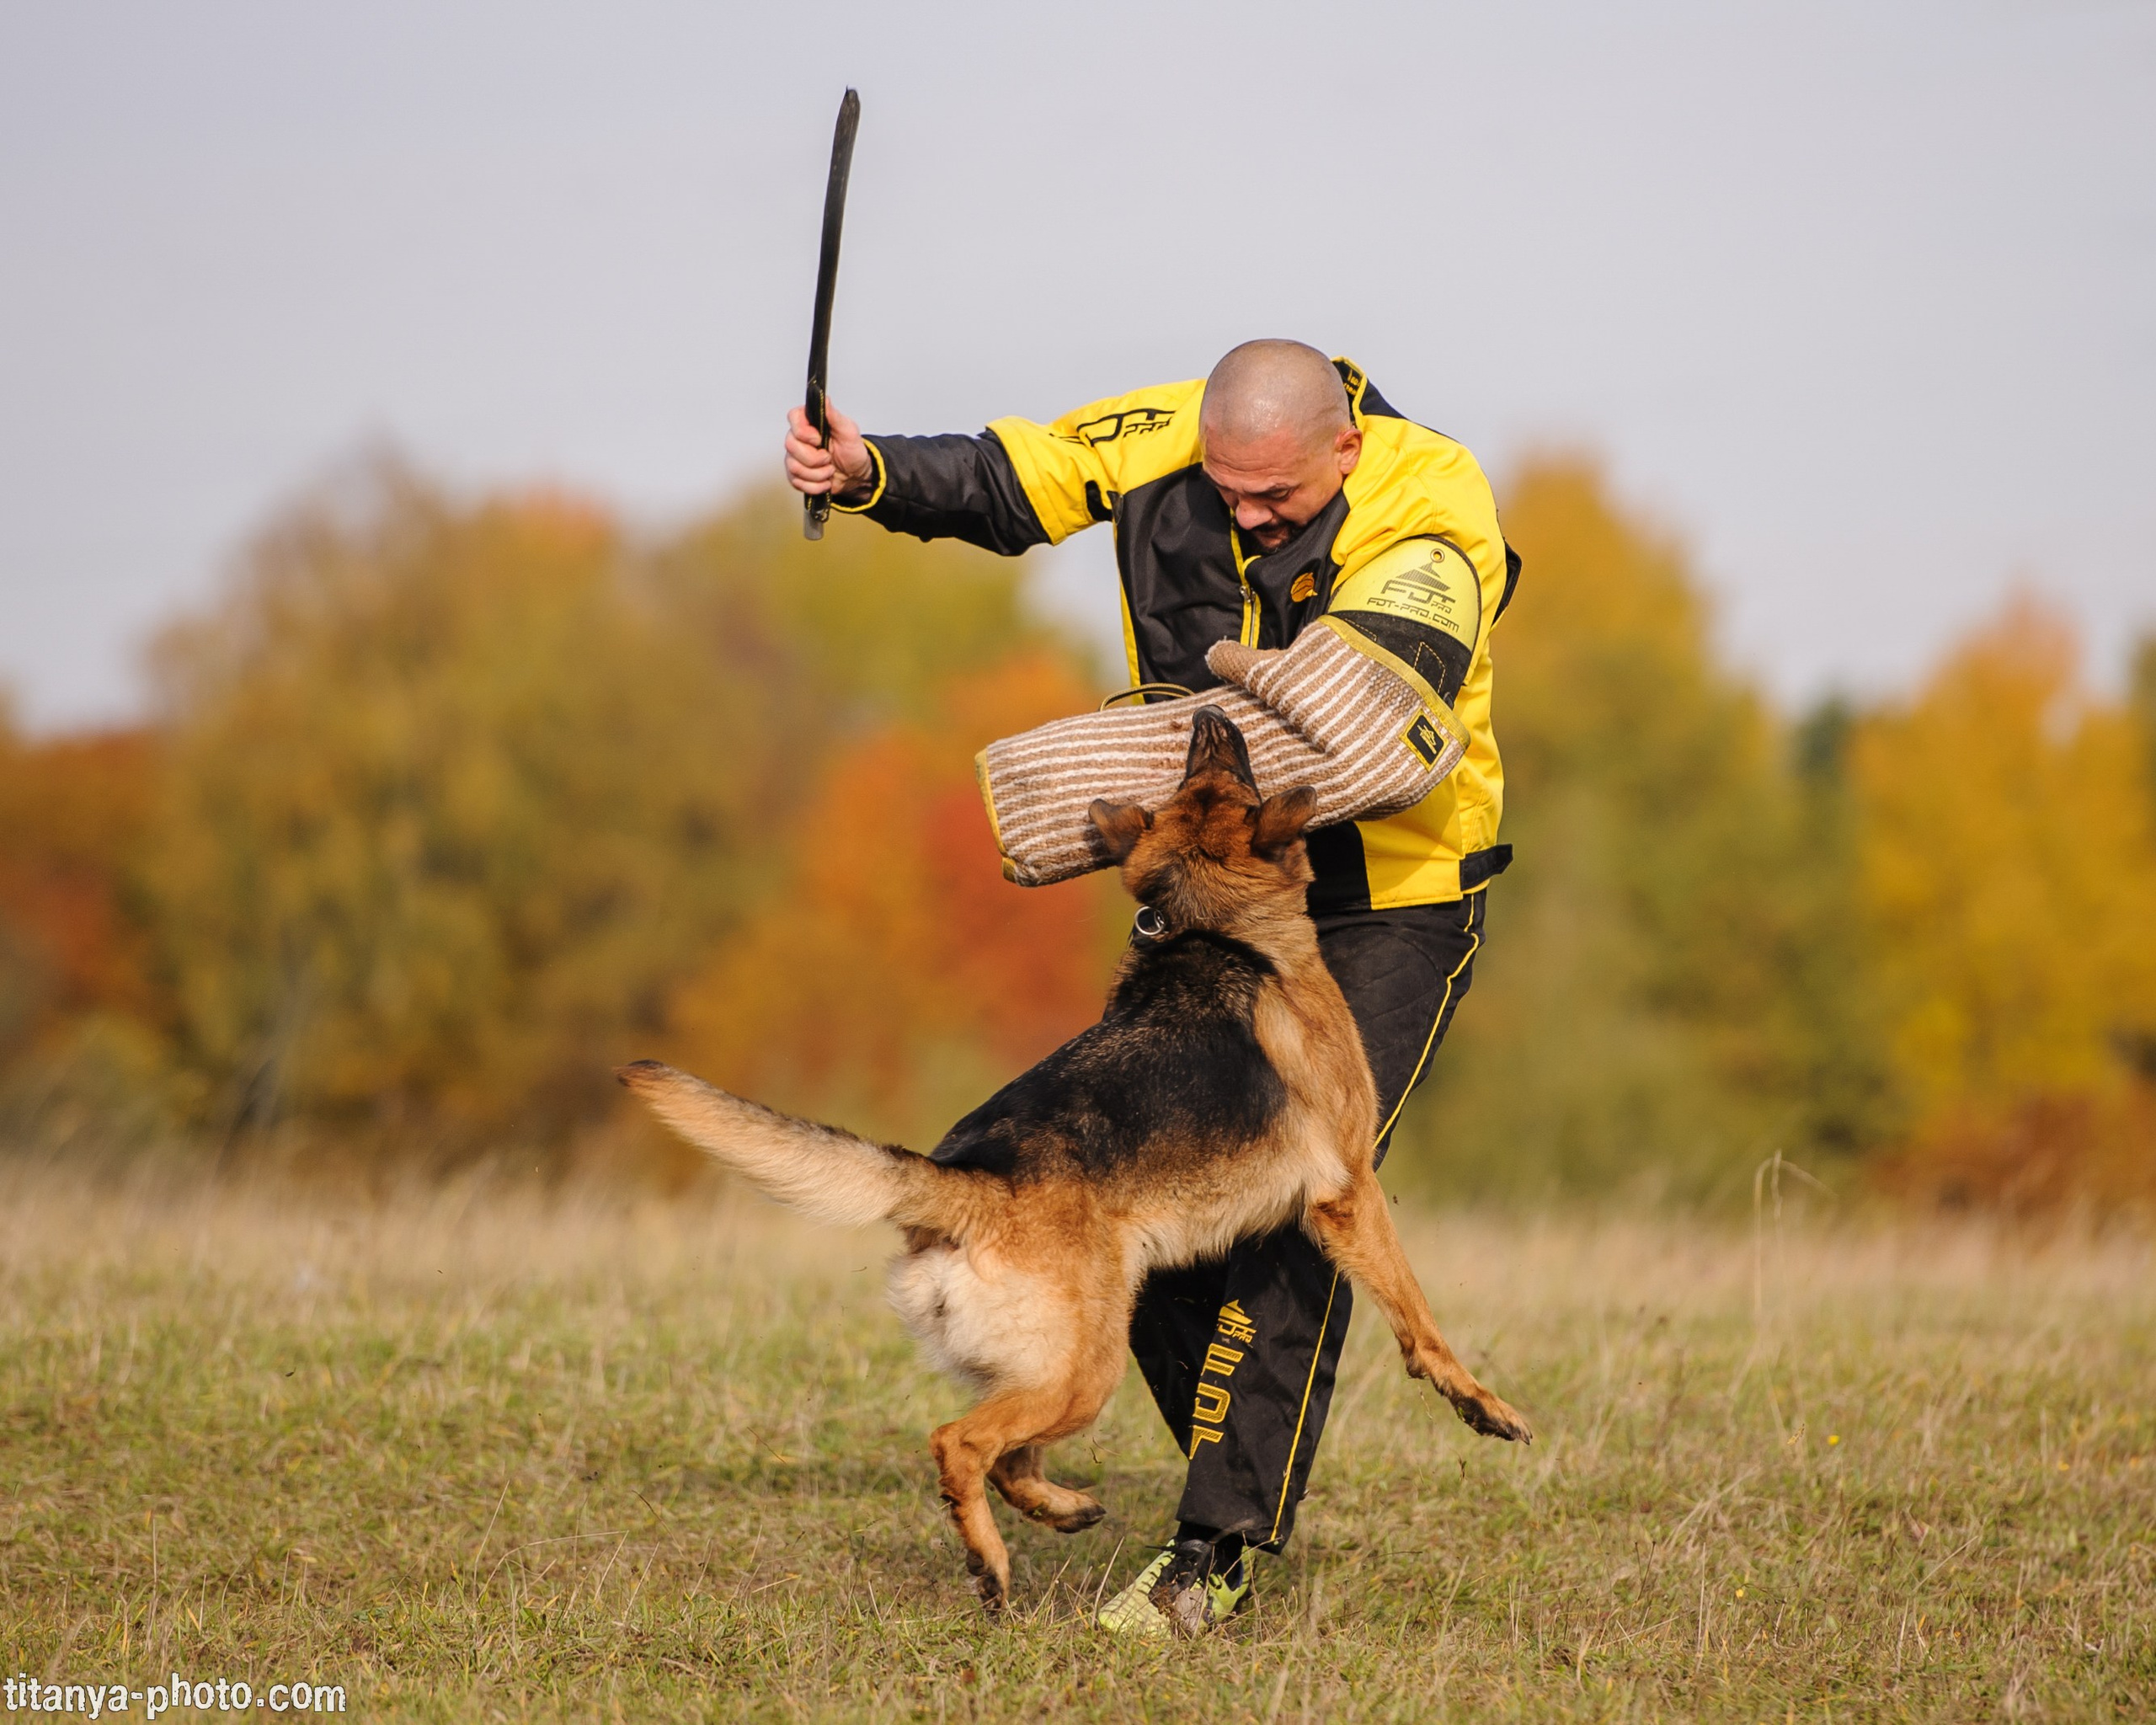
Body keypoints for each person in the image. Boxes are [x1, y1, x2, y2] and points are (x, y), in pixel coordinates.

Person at [782, 339, 1519, 1636]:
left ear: (1343, 448)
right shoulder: (1180, 433)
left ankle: (1214, 1556)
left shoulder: (1434, 502)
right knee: (1145, 1217)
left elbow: (1362, 715)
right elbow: (1026, 474)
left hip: (1381, 902)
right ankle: (1237, 1455)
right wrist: (872, 472)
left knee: (1310, 1193)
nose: (1241, 517)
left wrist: (1229, 688)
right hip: (1210, 902)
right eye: (1225, 493)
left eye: (1273, 501)